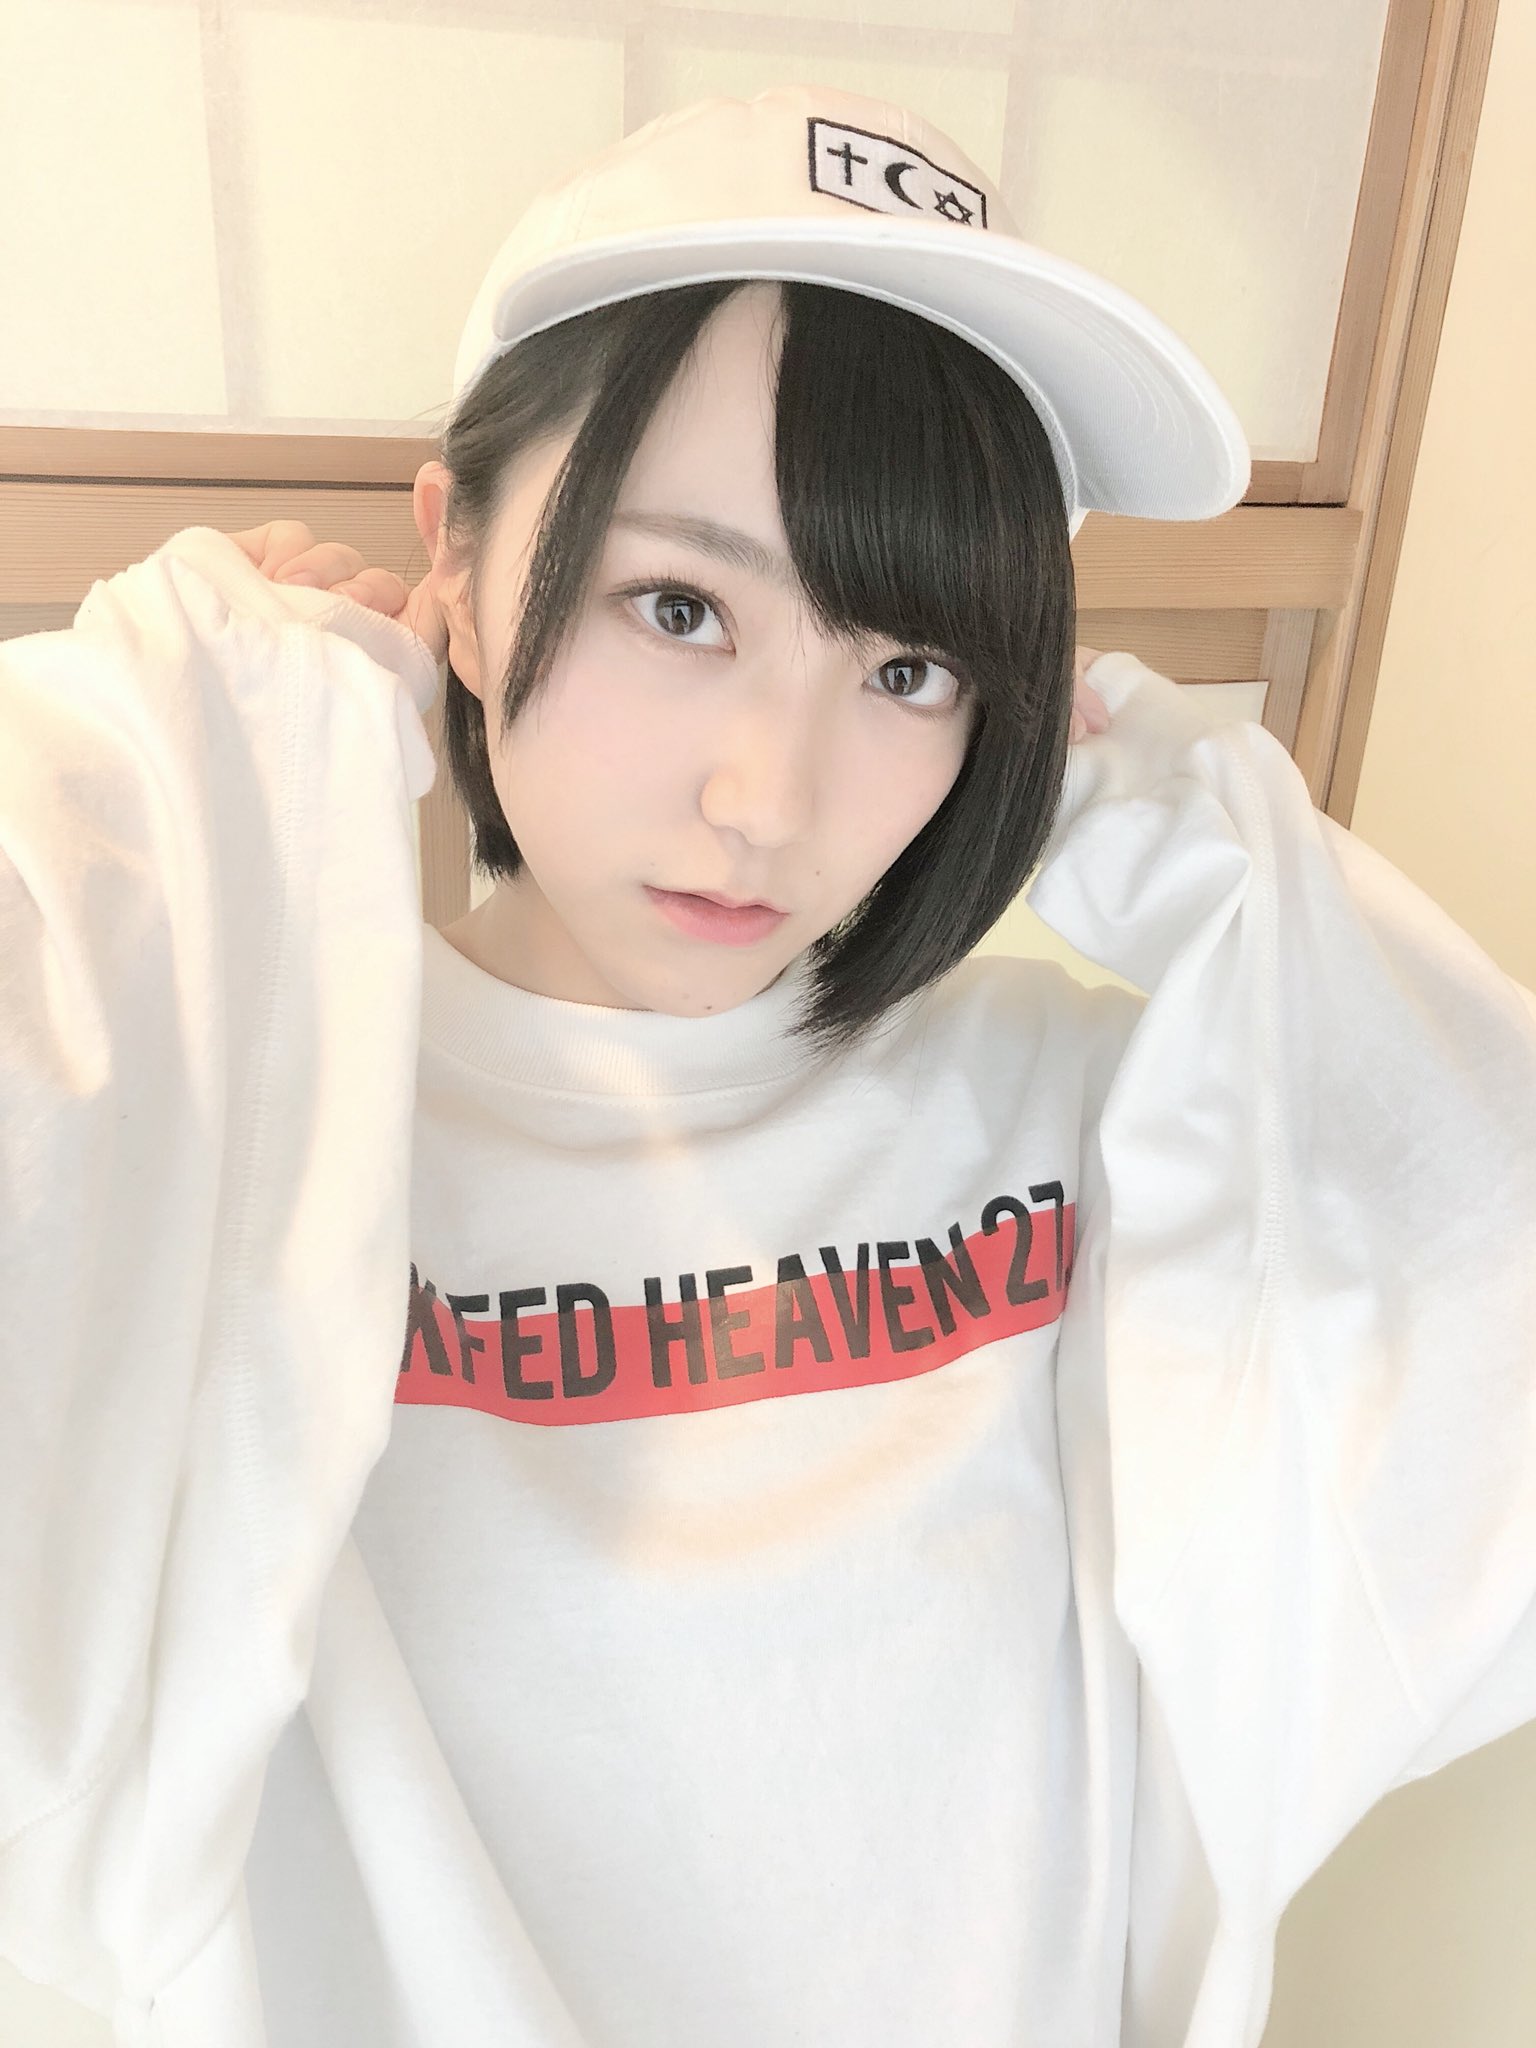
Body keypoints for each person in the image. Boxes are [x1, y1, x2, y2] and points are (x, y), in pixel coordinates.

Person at [2, 82, 1533, 2048]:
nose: (770, 795)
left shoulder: (1094, 1118)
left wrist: (1179, 822)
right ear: (455, 559)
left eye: (909, 666)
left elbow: (1483, 1355)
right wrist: (173, 752)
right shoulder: (255, 1141)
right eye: (680, 607)